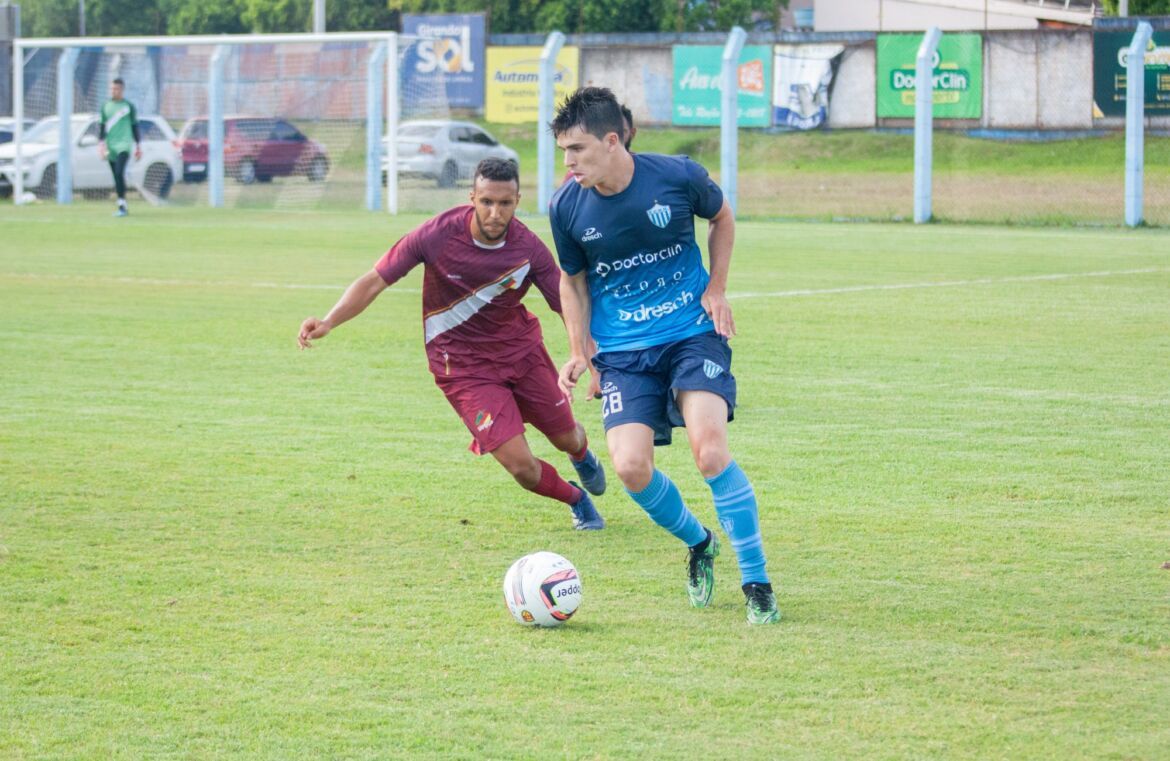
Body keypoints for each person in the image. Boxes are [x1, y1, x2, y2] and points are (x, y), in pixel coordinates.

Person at [548, 87, 778, 624]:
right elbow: (572, 280)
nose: (568, 162)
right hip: (625, 352)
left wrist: (716, 288)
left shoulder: (676, 176)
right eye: (563, 151)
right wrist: (579, 350)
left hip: (691, 333)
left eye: (577, 149)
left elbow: (722, 217)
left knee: (710, 452)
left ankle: (757, 582)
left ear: (612, 141)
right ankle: (699, 543)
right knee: (630, 466)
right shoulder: (566, 206)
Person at [298, 158, 607, 530]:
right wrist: (330, 321)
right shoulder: (437, 234)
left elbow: (568, 304)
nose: (495, 213)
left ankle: (582, 455)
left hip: (522, 355)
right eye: (487, 202)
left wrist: (593, 360)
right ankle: (577, 499)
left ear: (517, 200)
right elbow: (375, 280)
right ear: (472, 197)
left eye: (505, 203)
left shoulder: (528, 249)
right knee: (521, 467)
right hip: (462, 368)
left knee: (567, 436)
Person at [98, 78, 141, 218]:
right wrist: (101, 146)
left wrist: (138, 146)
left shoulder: (128, 106)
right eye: (112, 89)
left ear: (122, 90)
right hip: (111, 146)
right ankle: (121, 203)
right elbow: (102, 128)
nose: (113, 91)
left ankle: (122, 205)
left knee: (118, 173)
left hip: (124, 145)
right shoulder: (105, 106)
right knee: (115, 177)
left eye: (116, 89)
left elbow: (135, 127)